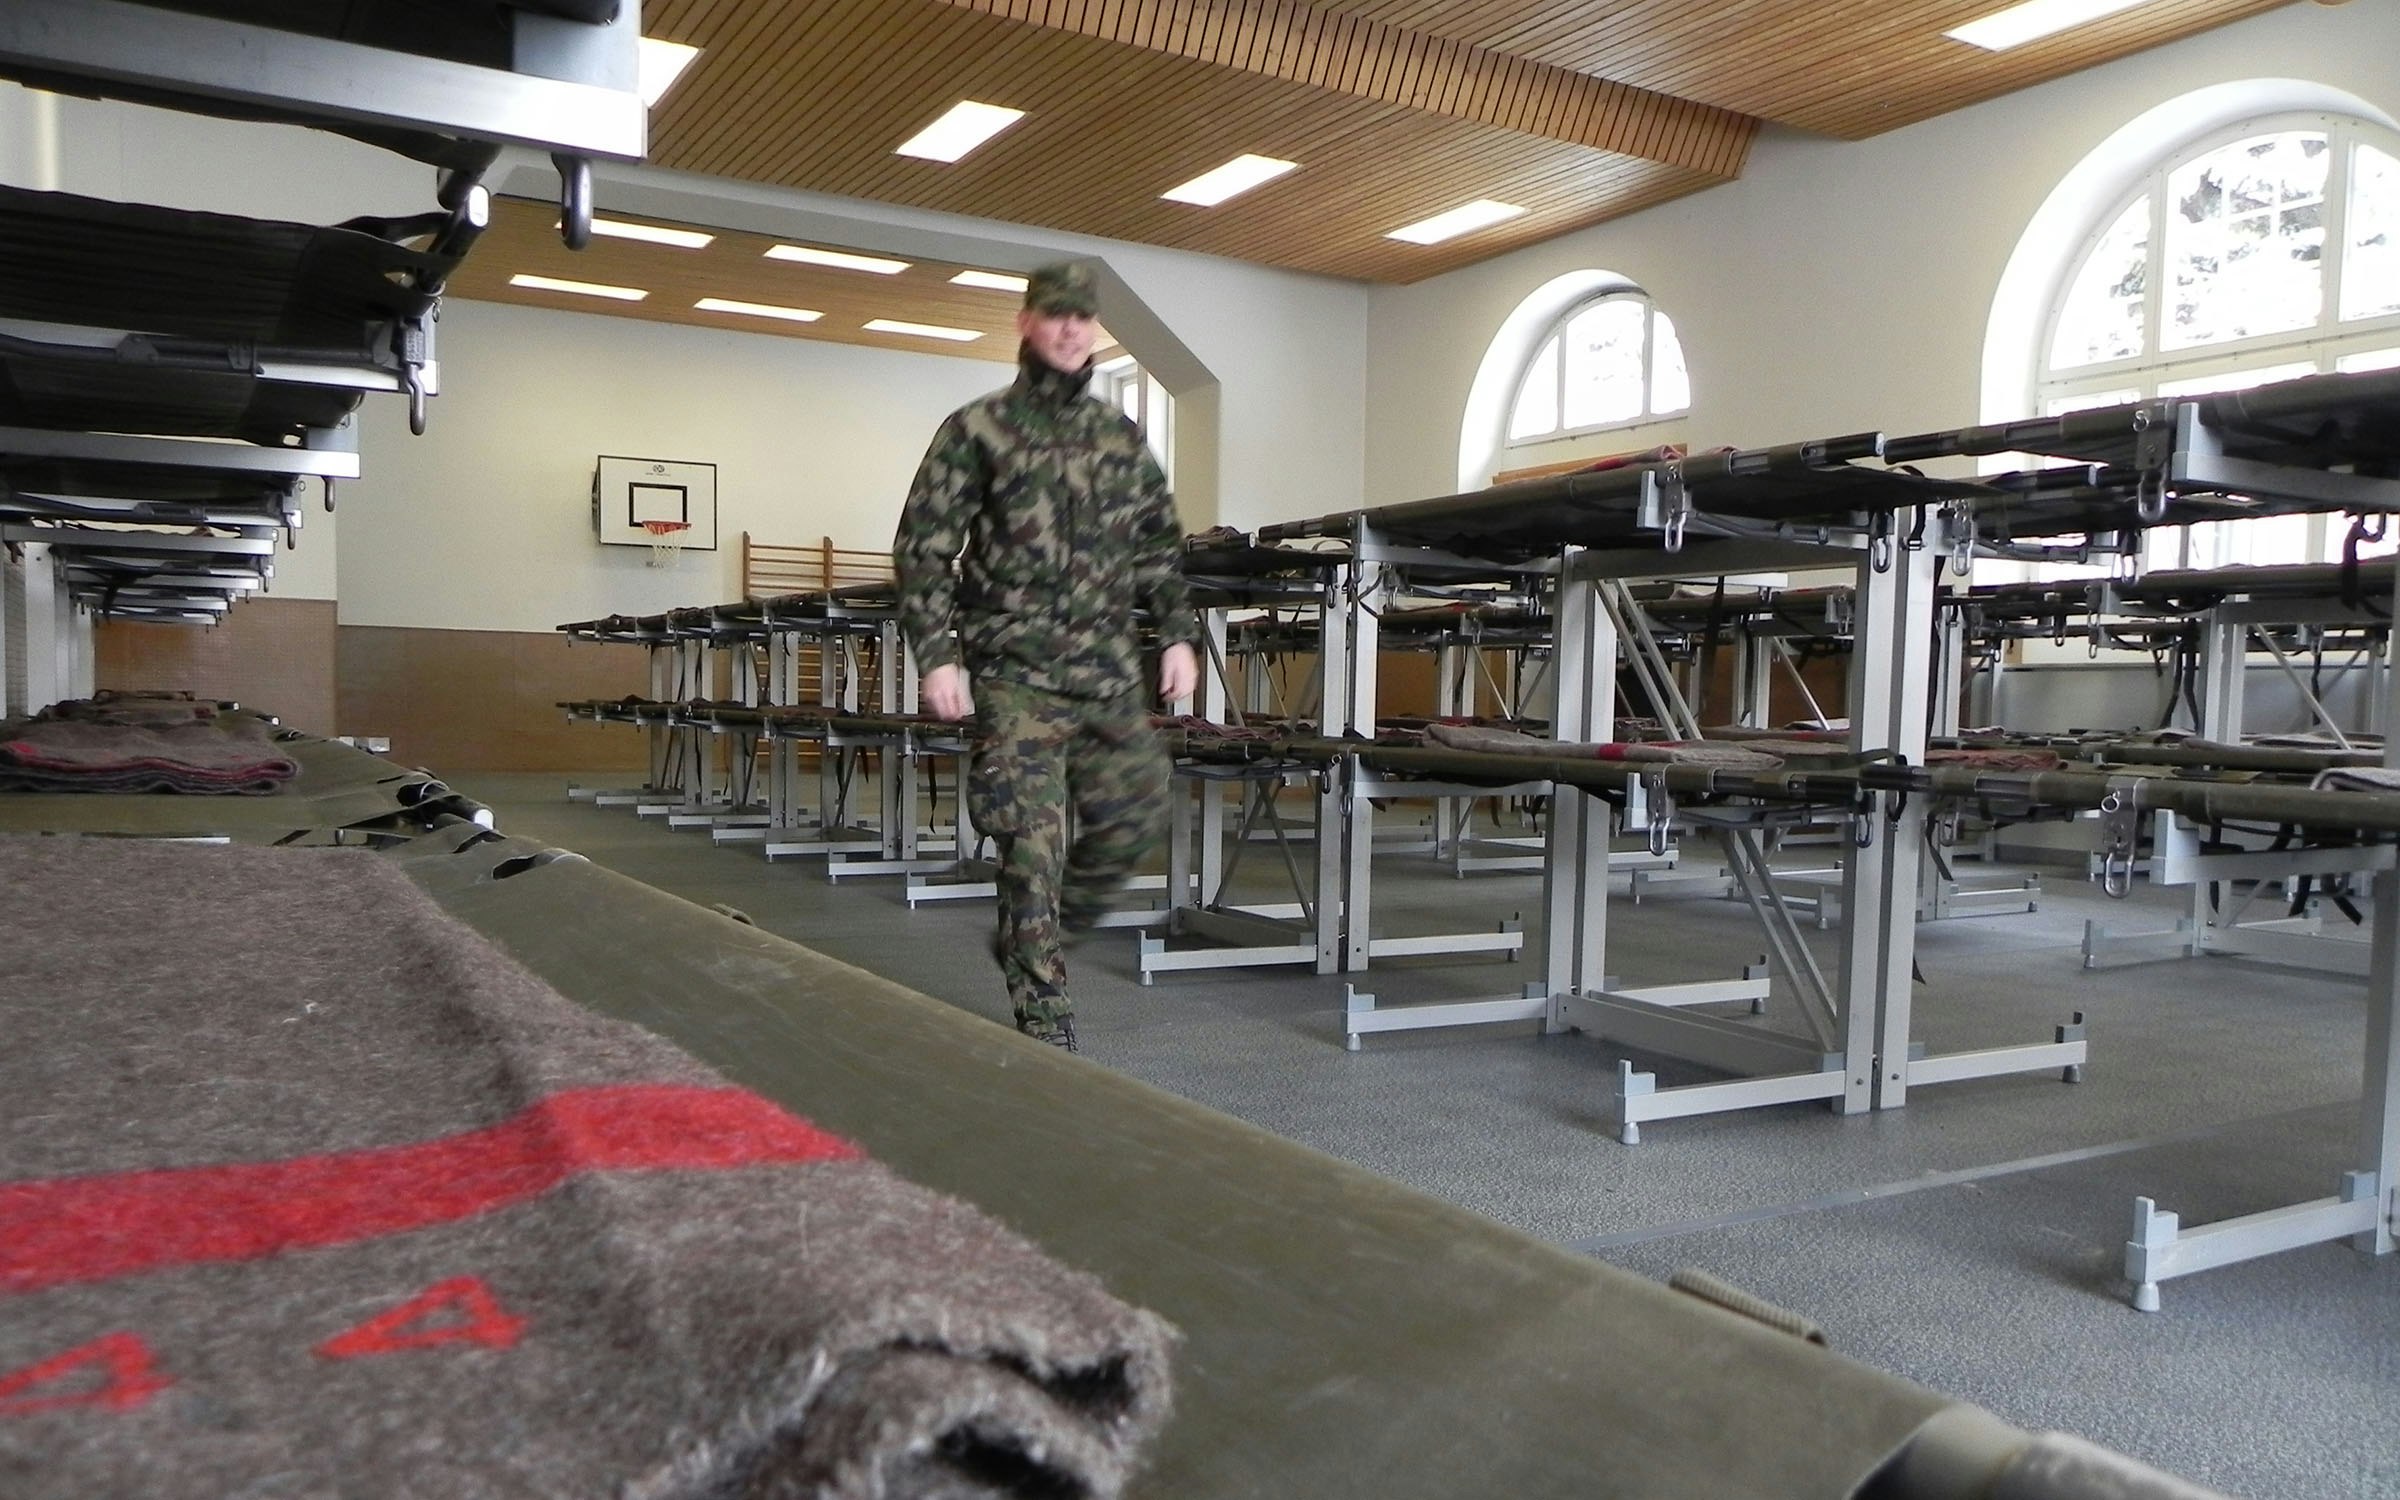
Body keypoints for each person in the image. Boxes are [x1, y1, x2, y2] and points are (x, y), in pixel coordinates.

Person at [893, 261, 1199, 1052]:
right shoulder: (979, 429)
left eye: (1082, 318)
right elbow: (924, 549)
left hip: (1104, 673)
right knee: (1034, 842)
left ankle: (1029, 934)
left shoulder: (1119, 438)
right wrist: (938, 655)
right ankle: (1045, 1013)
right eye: (1056, 315)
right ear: (1026, 323)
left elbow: (1158, 545)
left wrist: (1177, 633)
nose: (1070, 330)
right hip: (1015, 674)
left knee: (1139, 809)